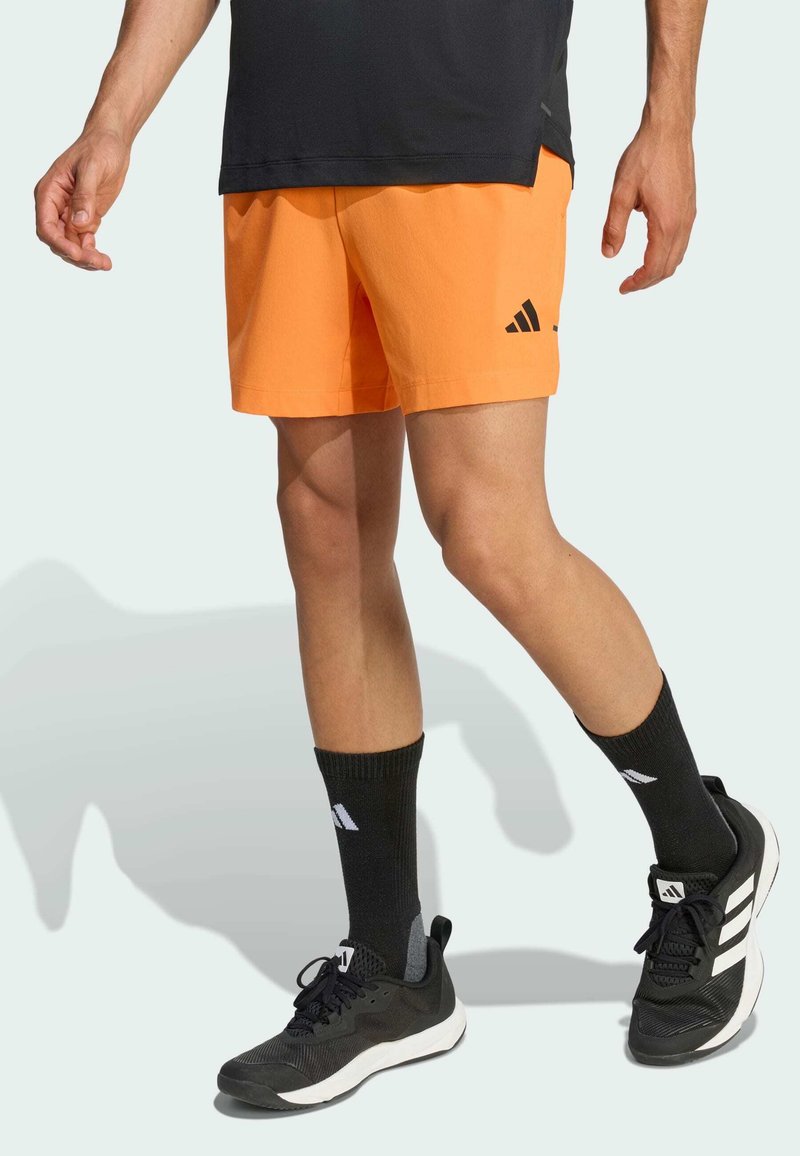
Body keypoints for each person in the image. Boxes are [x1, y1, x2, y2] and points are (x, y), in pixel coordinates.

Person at [34, 0, 779, 1108]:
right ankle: (390, 965)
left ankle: (705, 849)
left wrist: (667, 117)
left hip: (469, 119)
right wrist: (112, 122)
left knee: (487, 530)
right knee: (324, 521)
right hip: (288, 136)